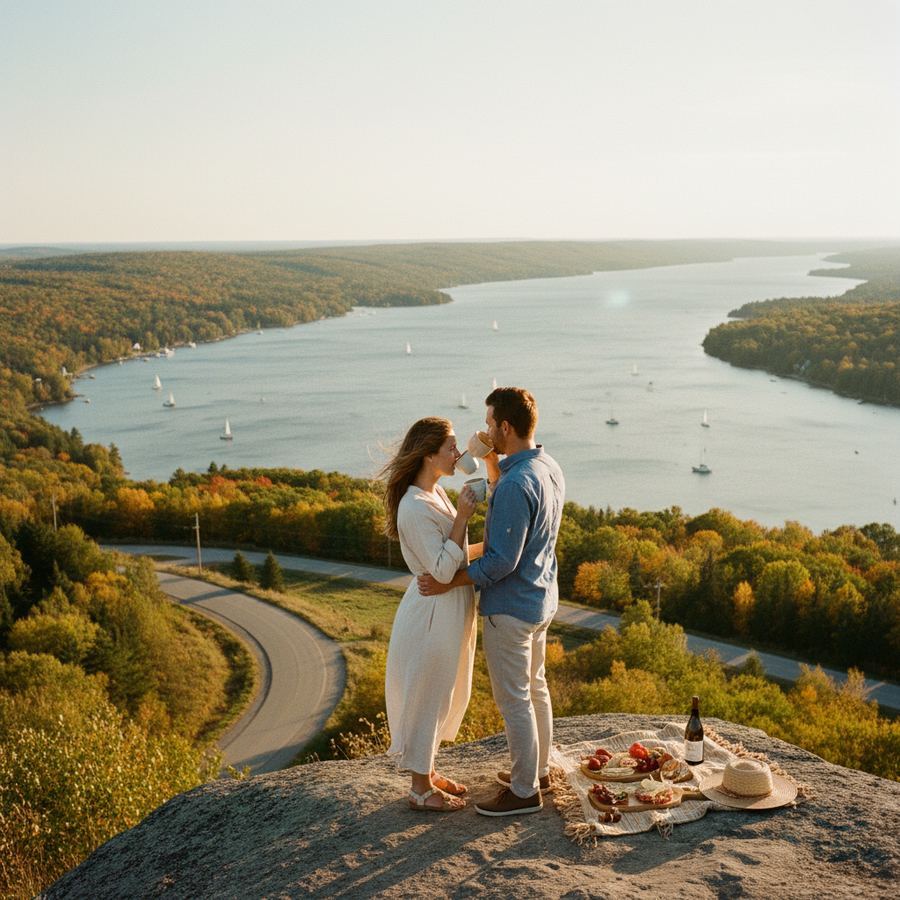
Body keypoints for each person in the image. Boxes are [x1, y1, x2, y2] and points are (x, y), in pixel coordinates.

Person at [419, 387, 565, 816]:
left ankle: (524, 792)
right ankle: (537, 772)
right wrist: (488, 458)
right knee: (536, 689)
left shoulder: (517, 484)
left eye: (488, 424)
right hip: (541, 600)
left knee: (515, 699)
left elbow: (501, 561)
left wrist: (452, 581)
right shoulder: (546, 465)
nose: (483, 430)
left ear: (504, 426)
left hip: (511, 607)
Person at [381, 417, 482, 812]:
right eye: (451, 447)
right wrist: (462, 519)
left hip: (449, 606)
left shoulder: (435, 493)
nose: (458, 453)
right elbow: (441, 569)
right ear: (428, 453)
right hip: (430, 613)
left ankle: (429, 768)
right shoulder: (413, 506)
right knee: (428, 693)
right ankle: (419, 788)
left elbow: (454, 555)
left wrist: (488, 546)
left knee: (445, 690)